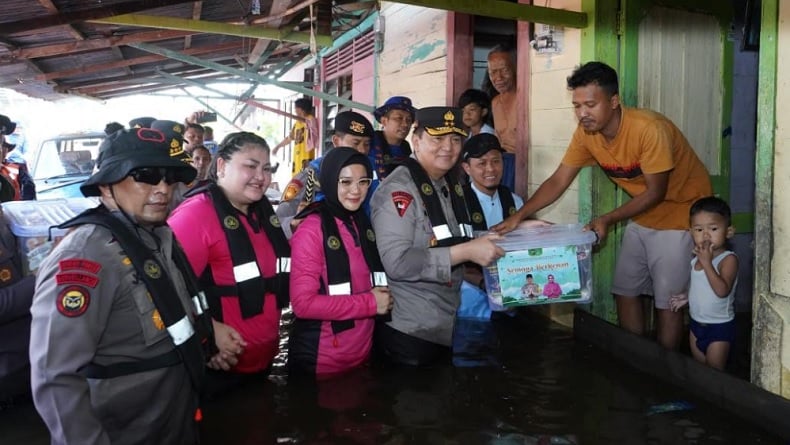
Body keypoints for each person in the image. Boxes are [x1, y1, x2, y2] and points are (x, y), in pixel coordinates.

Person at [492, 61, 712, 350]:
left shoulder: (649, 129)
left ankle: (665, 368)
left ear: (614, 101)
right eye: (577, 105)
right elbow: (559, 180)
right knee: (625, 290)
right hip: (644, 215)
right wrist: (517, 216)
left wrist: (607, 219)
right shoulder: (586, 135)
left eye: (591, 105)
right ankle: (635, 357)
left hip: (680, 214)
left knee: (667, 302)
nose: (583, 113)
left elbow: (656, 192)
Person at [29, 127, 215, 444]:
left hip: (175, 421)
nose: (163, 189)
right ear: (106, 186)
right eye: (145, 175)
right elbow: (54, 377)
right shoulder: (85, 256)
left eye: (170, 178)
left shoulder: (160, 236)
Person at [370, 106, 505, 366]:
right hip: (409, 331)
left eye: (455, 139)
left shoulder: (446, 185)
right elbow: (397, 262)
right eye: (437, 138)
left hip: (442, 324)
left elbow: (461, 238)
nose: (448, 147)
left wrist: (519, 230)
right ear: (416, 141)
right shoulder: (399, 191)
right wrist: (466, 252)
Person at [169, 132, 290, 397]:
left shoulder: (260, 212)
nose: (261, 176)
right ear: (222, 166)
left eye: (266, 168)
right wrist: (206, 336)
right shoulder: (195, 215)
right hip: (218, 369)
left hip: (261, 365)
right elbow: (165, 290)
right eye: (250, 166)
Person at [288, 147, 392, 378]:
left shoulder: (360, 222)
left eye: (363, 181)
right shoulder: (311, 229)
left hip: (360, 355)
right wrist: (370, 304)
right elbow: (303, 305)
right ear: (329, 181)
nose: (356, 191)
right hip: (321, 363)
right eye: (346, 182)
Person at [457, 133, 524, 320]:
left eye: (496, 161)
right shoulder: (456, 204)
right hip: (468, 304)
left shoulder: (514, 202)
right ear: (467, 168)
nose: (491, 169)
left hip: (510, 297)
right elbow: (447, 257)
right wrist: (482, 283)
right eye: (481, 163)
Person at [277, 111, 374, 237]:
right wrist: (295, 222)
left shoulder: (371, 173)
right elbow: (278, 222)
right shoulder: (311, 177)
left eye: (366, 144)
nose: (362, 150)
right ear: (336, 141)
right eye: (355, 143)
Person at [669, 197, 738, 370]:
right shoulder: (697, 259)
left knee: (714, 375)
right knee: (700, 372)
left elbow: (722, 290)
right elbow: (700, 285)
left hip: (719, 327)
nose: (705, 235)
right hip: (696, 324)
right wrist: (687, 296)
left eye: (713, 229)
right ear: (691, 232)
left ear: (728, 232)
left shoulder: (728, 259)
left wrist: (707, 263)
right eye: (699, 229)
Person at [486, 44, 518, 190]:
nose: (498, 78)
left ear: (515, 68)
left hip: (523, 167)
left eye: (504, 70)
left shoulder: (525, 98)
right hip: (501, 166)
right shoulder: (495, 102)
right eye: (493, 72)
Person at [369, 96, 416, 180]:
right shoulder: (368, 144)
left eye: (409, 120)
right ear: (384, 121)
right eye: (399, 118)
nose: (405, 124)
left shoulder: (406, 149)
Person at [272, 98, 318, 175]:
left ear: (301, 109)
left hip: (307, 158)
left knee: (306, 180)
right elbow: (289, 138)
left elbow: (313, 131)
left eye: (296, 108)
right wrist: (278, 147)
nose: (294, 110)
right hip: (297, 160)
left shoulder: (310, 120)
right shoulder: (297, 123)